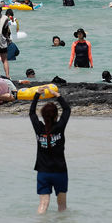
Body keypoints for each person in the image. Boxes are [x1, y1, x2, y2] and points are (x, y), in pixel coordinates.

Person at [30, 86, 70, 214]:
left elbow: (31, 113)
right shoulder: (59, 127)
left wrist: (37, 95)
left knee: (43, 204)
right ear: (56, 116)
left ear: (42, 115)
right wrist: (57, 95)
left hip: (43, 172)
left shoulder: (38, 128)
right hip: (60, 171)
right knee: (62, 206)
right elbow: (67, 109)